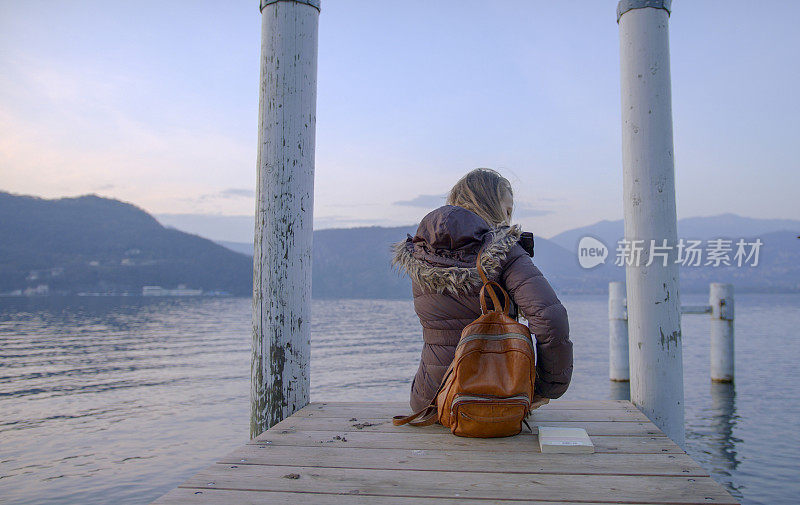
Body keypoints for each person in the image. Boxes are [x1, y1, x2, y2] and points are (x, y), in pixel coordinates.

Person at [392, 168, 573, 412]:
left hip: (430, 402)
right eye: (507, 210)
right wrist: (546, 388)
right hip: (491, 401)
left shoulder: (423, 254)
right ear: (490, 206)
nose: (509, 220)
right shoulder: (504, 252)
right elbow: (550, 318)